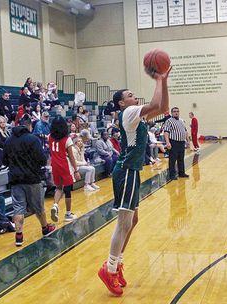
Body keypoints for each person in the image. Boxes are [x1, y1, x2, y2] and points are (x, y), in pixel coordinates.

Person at [98, 66, 171, 296]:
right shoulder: (129, 113)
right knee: (124, 222)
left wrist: (164, 82)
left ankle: (117, 263)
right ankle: (108, 269)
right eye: (129, 95)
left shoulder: (135, 114)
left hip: (132, 170)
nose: (133, 97)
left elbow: (163, 107)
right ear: (121, 103)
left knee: (133, 220)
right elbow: (155, 104)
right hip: (127, 170)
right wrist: (158, 79)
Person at [3, 115, 55, 247]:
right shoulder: (33, 139)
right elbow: (42, 159)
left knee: (18, 208)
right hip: (32, 178)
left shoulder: (8, 141)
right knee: (39, 207)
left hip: (15, 180)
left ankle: (19, 236)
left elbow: (3, 161)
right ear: (29, 126)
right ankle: (45, 228)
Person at [48, 116, 81, 223]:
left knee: (58, 188)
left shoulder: (49, 137)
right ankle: (68, 213)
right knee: (67, 190)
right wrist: (76, 170)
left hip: (54, 165)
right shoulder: (67, 139)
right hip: (64, 165)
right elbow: (71, 157)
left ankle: (55, 205)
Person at [163, 107, 189, 180]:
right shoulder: (169, 121)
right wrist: (167, 142)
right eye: (174, 111)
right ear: (172, 113)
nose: (176, 112)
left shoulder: (181, 120)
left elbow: (185, 131)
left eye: (177, 111)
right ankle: (172, 175)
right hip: (173, 142)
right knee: (172, 160)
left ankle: (181, 173)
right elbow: (166, 132)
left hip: (182, 142)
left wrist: (188, 141)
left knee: (181, 158)